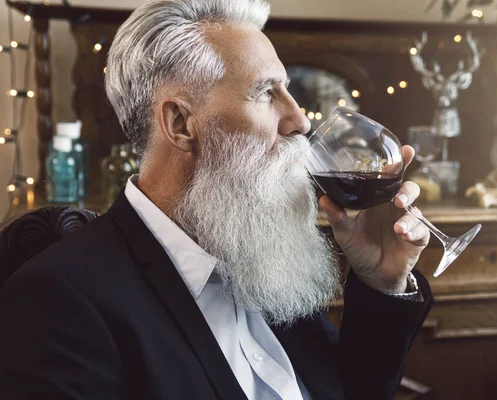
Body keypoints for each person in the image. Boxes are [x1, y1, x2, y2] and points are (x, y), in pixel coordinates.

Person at [0, 0, 433, 399]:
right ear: (181, 123)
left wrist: (380, 280)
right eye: (266, 93)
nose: (299, 119)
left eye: (289, 91)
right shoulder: (59, 301)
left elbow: (351, 391)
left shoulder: (262, 257)